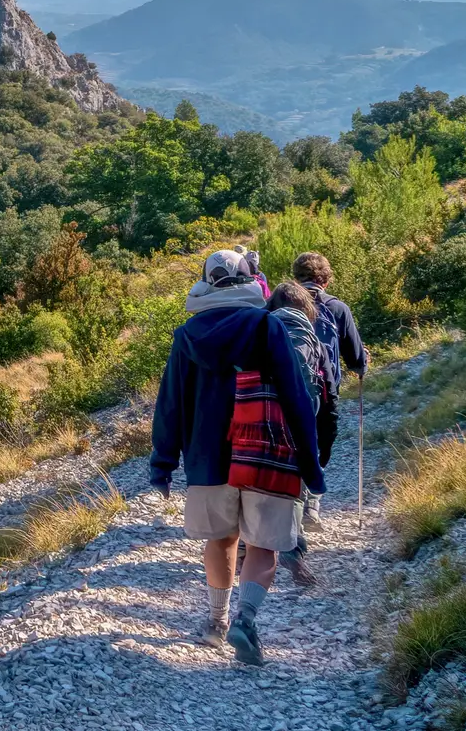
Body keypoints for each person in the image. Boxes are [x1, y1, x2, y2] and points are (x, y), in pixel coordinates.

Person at [151, 249, 325, 666]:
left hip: (206, 459)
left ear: (206, 285)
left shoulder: (187, 336)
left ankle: (216, 621)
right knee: (263, 545)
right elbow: (296, 396)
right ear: (251, 281)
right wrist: (310, 465)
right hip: (266, 454)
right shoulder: (267, 326)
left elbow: (170, 403)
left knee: (221, 539)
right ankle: (246, 619)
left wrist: (163, 463)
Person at [291, 252, 367, 532]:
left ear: (296, 277)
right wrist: (362, 365)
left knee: (289, 444)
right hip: (324, 390)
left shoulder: (278, 306)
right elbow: (355, 357)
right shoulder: (337, 308)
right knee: (321, 445)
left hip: (283, 389)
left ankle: (290, 505)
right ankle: (311, 503)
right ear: (325, 278)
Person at [265, 281, 326, 586]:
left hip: (261, 416)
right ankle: (293, 549)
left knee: (256, 484)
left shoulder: (260, 329)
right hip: (299, 420)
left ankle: (248, 551)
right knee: (295, 488)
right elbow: (327, 393)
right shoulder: (312, 336)